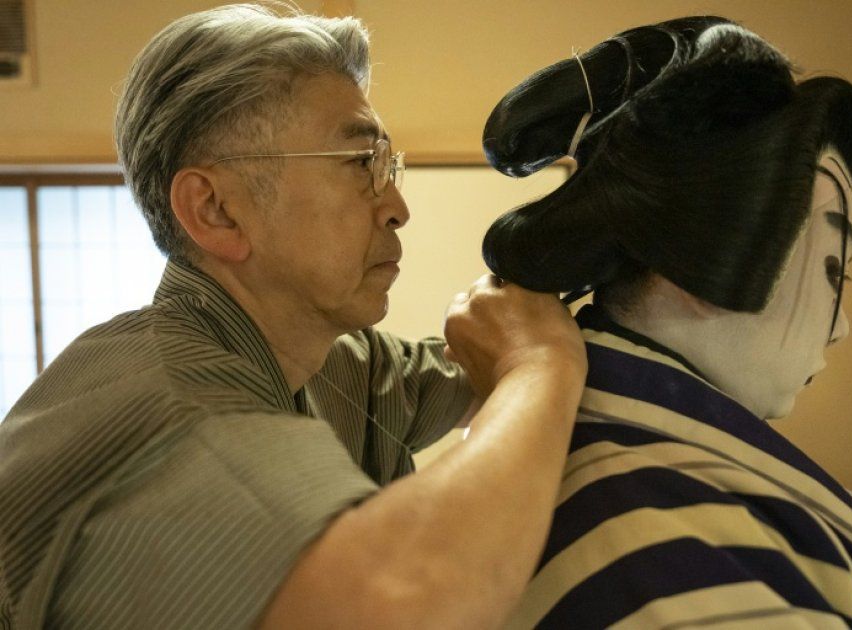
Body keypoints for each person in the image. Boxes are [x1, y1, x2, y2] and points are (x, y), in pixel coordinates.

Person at [0, 5, 588, 629]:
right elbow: (402, 601)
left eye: (387, 165)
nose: (397, 206)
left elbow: (478, 369)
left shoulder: (334, 360)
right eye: (360, 163)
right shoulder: (167, 407)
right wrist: (541, 364)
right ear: (216, 210)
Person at [481, 16, 852, 628]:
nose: (839, 328)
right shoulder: (654, 547)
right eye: (834, 271)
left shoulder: (621, 462)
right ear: (699, 266)